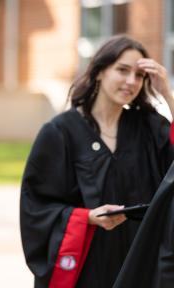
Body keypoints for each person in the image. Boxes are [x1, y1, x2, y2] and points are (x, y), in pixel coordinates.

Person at [20, 35, 174, 288]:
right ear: (100, 71)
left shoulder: (150, 127)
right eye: (122, 70)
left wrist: (167, 94)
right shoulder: (60, 132)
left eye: (139, 75)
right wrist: (87, 217)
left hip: (139, 262)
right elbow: (36, 206)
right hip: (86, 265)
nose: (131, 81)